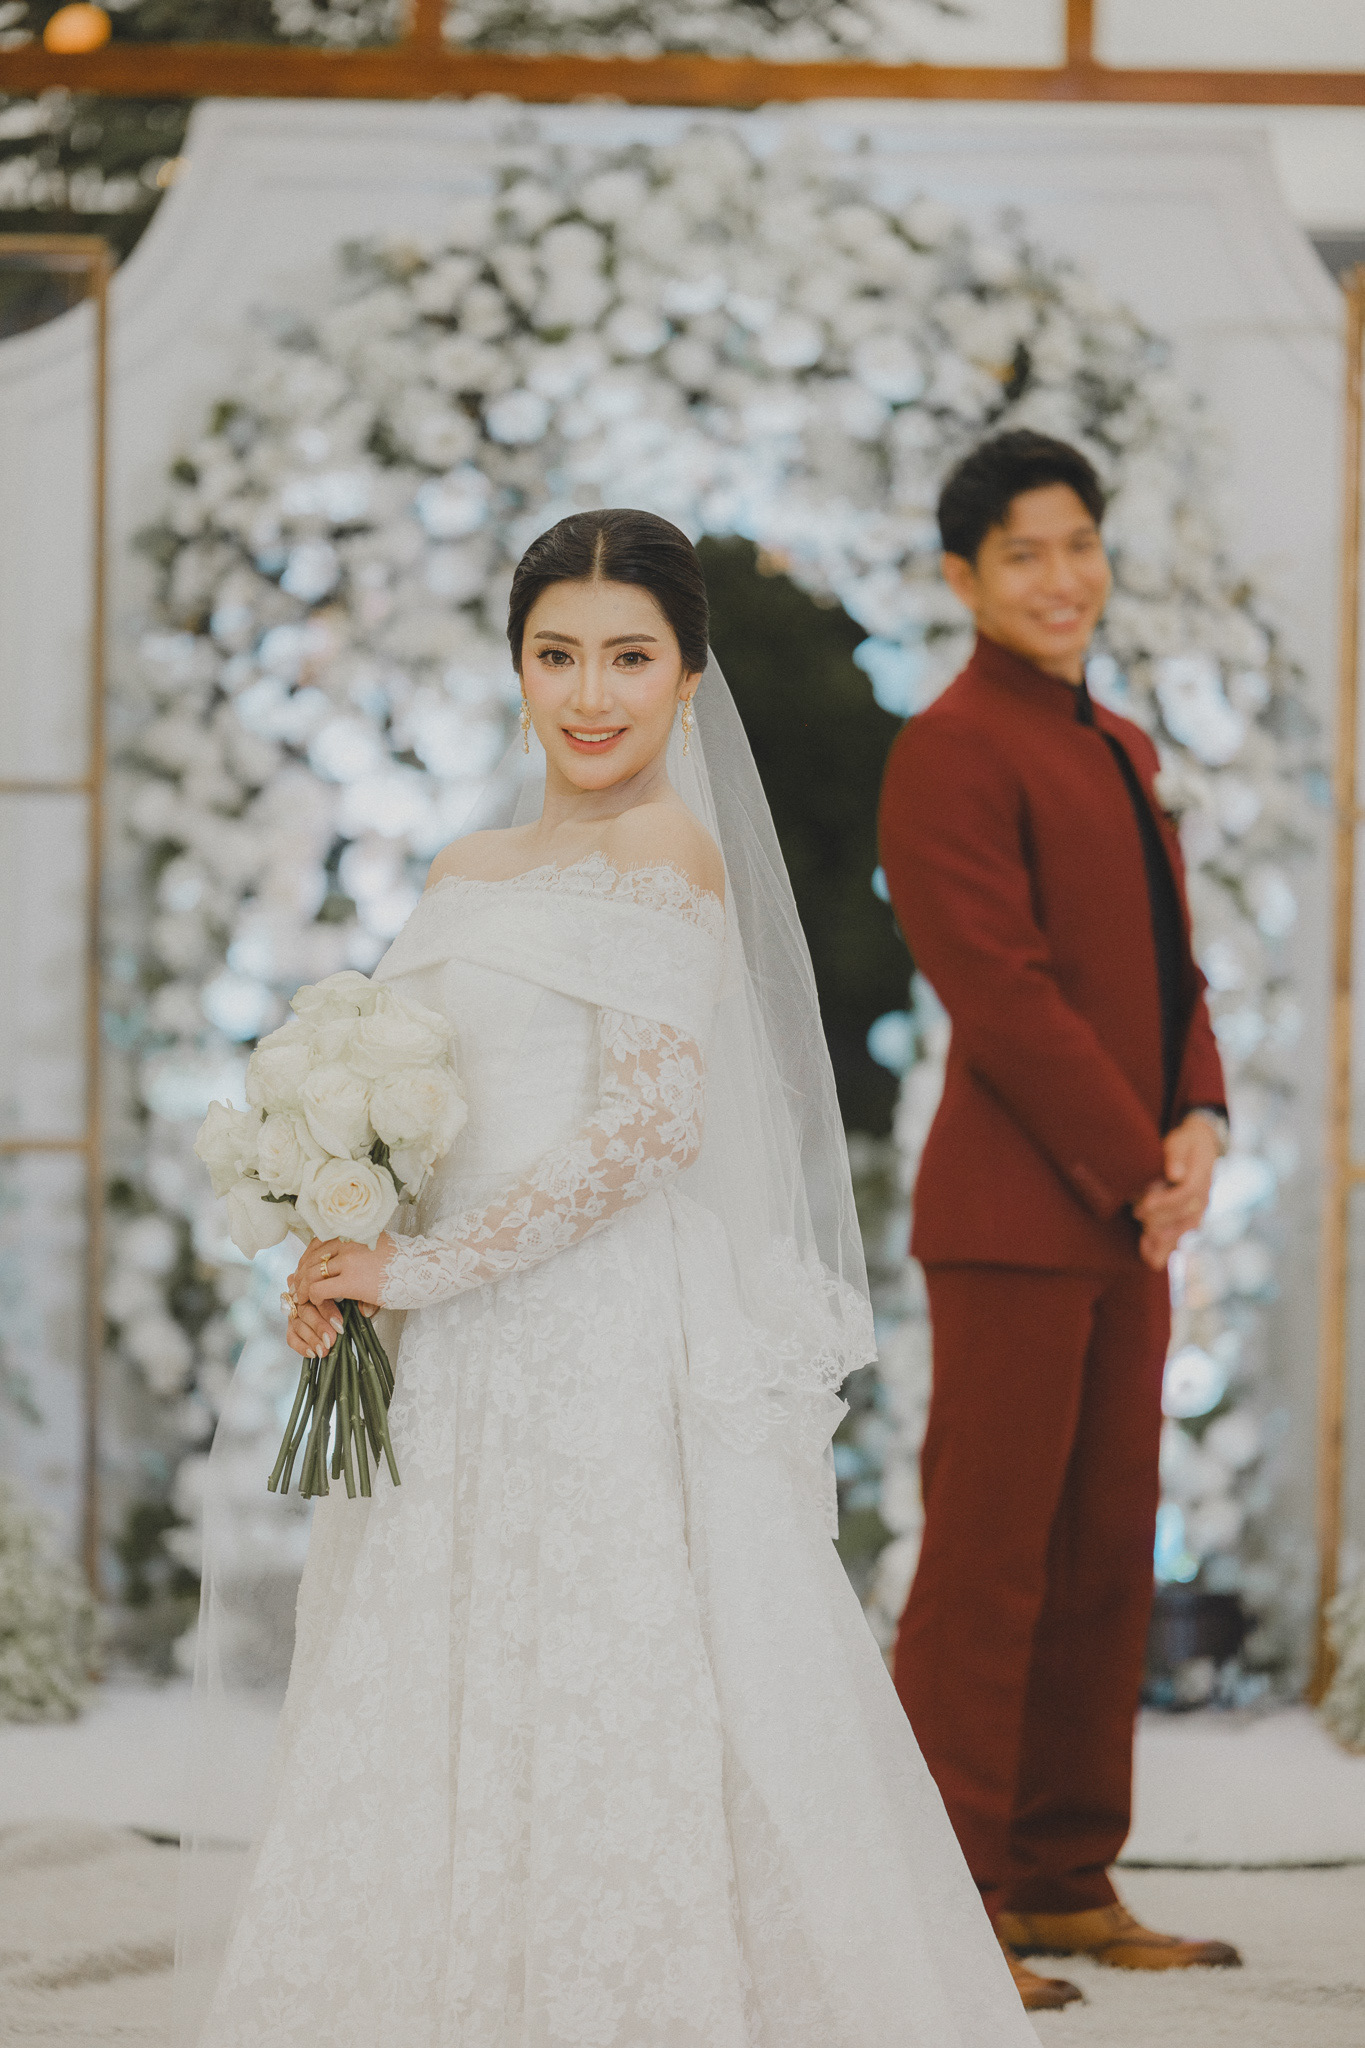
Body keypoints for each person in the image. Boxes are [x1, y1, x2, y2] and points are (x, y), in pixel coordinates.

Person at [181, 508, 1039, 2046]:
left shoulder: (665, 849)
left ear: (687, 678)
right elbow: (428, 1111)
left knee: (607, 1672)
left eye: (629, 658)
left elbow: (648, 1128)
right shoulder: (467, 865)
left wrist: (419, 1266)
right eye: (557, 655)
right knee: (436, 1675)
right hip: (450, 1337)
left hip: (594, 1330)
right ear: (517, 669)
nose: (591, 694)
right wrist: (342, 1247)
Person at [878, 431, 1241, 2010]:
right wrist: (1136, 1161)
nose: (1060, 577)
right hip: (1013, 1216)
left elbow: (1174, 966)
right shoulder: (949, 748)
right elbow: (1002, 993)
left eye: (1076, 543)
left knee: (1104, 1559)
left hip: (1122, 1215)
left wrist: (1201, 1119)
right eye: (1022, 553)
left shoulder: (1122, 742)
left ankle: (1062, 1876)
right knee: (988, 1564)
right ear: (961, 579)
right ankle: (941, 1896)